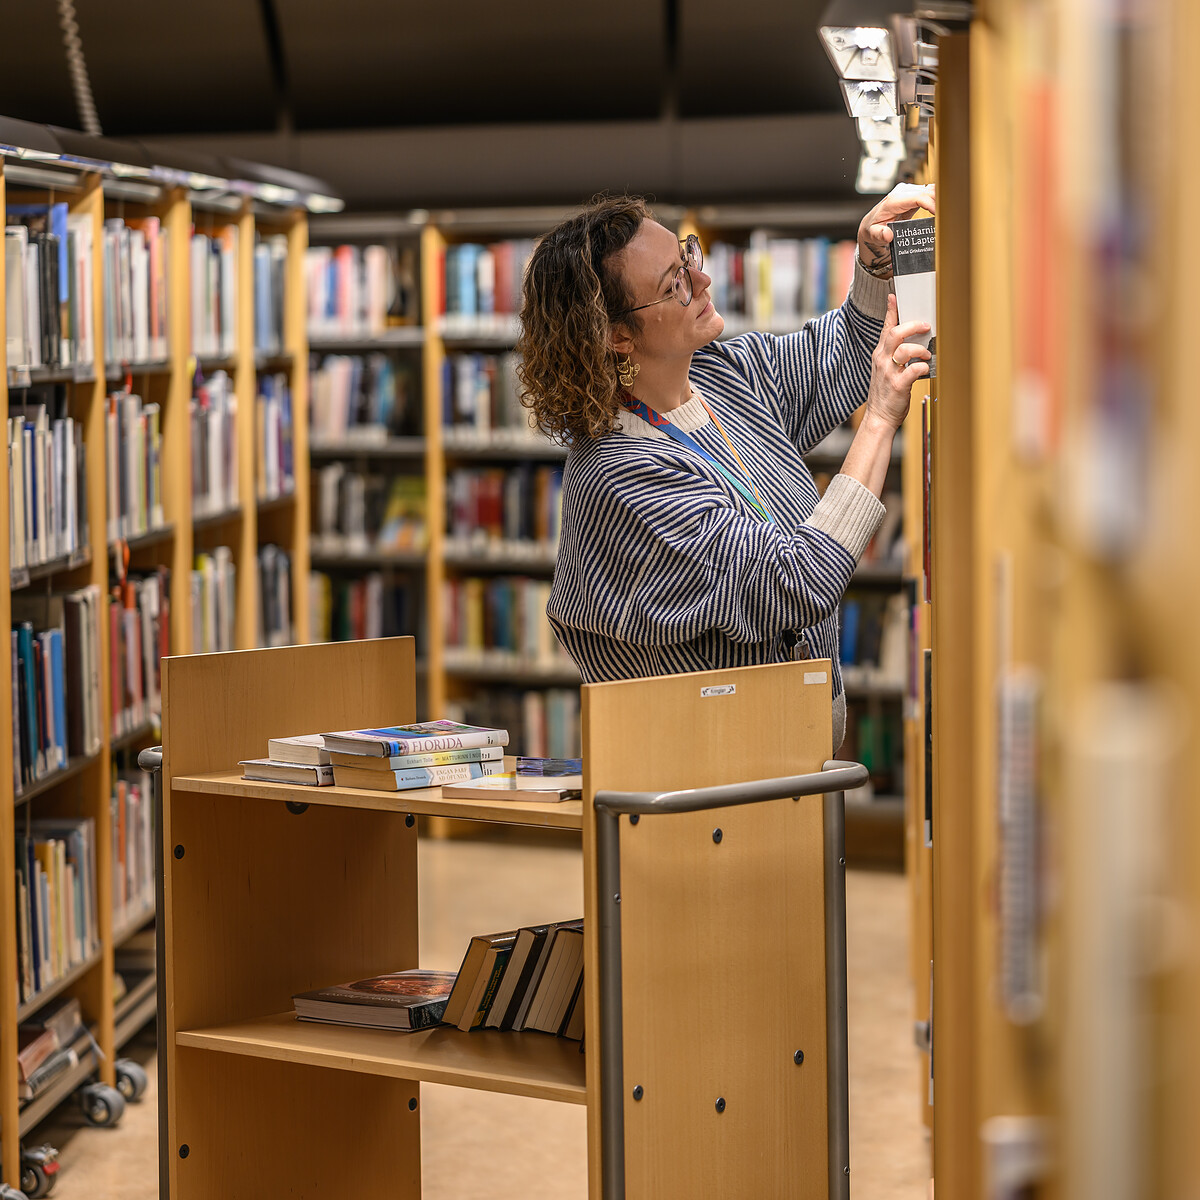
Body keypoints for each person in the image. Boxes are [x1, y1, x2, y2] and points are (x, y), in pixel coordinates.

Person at [516, 187, 935, 751]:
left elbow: (839, 360)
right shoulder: (620, 474)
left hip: (781, 752)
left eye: (687, 257)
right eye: (675, 283)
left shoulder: (717, 375)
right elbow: (795, 584)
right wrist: (880, 420)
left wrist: (874, 263)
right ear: (617, 335)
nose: (703, 279)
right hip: (706, 770)